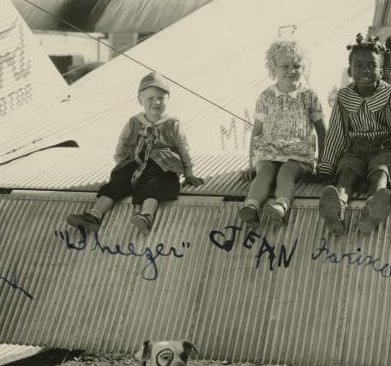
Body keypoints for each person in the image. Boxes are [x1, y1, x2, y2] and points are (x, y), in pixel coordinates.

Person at [317, 33, 391, 235]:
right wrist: (326, 166)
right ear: (350, 70)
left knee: (381, 172)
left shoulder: (389, 95)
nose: (365, 70)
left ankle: (372, 211)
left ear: (381, 71)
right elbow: (336, 133)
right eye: (359, 65)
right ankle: (336, 208)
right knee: (346, 173)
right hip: (354, 150)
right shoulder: (344, 97)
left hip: (384, 149)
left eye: (372, 66)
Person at [66, 72, 205, 234]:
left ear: (168, 99)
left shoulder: (172, 124)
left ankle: (146, 216)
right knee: (117, 182)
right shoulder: (134, 122)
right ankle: (94, 215)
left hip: (162, 167)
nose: (156, 102)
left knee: (156, 185)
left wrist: (188, 173)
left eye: (161, 98)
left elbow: (183, 149)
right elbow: (123, 144)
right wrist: (122, 164)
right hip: (136, 164)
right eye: (150, 98)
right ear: (140, 100)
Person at [238, 38, 326, 228]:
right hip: (270, 150)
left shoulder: (309, 96)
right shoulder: (266, 96)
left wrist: (324, 163)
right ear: (273, 68)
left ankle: (281, 206)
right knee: (264, 172)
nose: (291, 70)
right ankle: (251, 207)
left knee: (286, 173)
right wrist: (251, 164)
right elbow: (257, 131)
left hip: (298, 153)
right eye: (285, 66)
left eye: (296, 66)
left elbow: (321, 130)